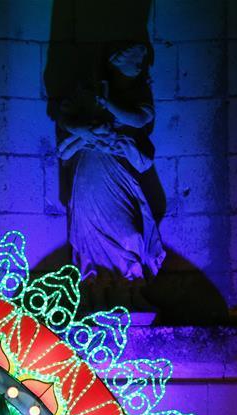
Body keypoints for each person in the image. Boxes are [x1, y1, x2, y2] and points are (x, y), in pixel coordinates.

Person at [56, 43, 165, 305]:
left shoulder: (137, 95)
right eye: (133, 64)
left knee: (129, 233)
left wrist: (107, 104)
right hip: (91, 169)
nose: (138, 69)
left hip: (118, 169)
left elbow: (139, 119)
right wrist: (87, 131)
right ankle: (96, 292)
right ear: (116, 65)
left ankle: (131, 288)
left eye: (139, 65)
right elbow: (64, 118)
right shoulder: (86, 93)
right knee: (89, 229)